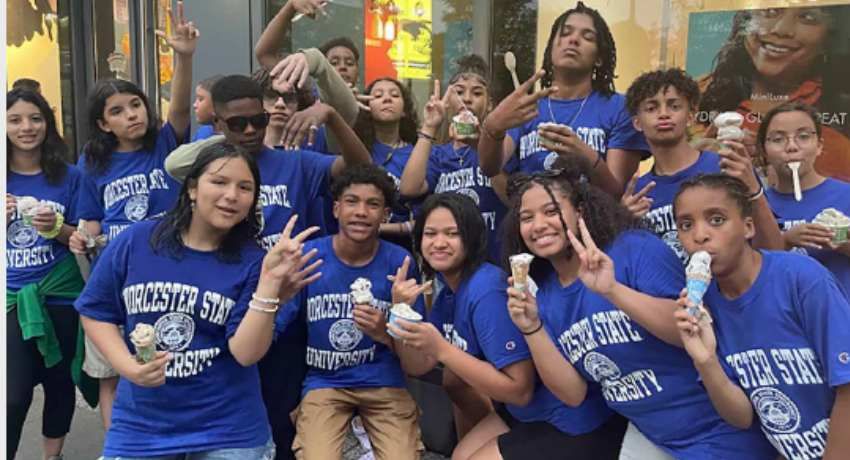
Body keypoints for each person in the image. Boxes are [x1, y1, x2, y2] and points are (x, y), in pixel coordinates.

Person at [501, 157, 776, 459]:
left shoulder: (632, 249)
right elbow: (573, 394)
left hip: (720, 430)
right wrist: (531, 327)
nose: (538, 225)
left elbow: (688, 331)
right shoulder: (547, 295)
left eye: (551, 211)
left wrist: (612, 290)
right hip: (655, 439)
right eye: (526, 218)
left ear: (579, 212)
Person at [165, 73, 371, 460]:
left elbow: (360, 167)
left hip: (289, 308)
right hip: (224, 304)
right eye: (236, 124)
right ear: (217, 126)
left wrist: (331, 115)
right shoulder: (208, 171)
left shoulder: (296, 165)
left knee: (282, 415)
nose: (249, 130)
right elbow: (174, 168)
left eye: (257, 121)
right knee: (230, 415)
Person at [75, 142, 322, 459]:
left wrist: (269, 285)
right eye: (219, 182)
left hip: (229, 431)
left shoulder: (254, 262)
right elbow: (96, 311)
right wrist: (128, 367)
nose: (232, 195)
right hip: (142, 429)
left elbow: (245, 353)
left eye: (244, 187)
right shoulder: (137, 241)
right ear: (192, 187)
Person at [70, 3, 198, 430]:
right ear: (103, 124)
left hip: (166, 261)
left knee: (166, 348)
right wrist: (81, 236)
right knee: (112, 368)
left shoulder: (164, 142)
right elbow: (91, 218)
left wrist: (183, 56)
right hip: (114, 267)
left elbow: (180, 108)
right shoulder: (94, 160)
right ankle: (118, 443)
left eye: (136, 104)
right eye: (118, 111)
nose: (132, 114)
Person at [673, 173, 850, 460]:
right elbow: (742, 417)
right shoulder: (705, 307)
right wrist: (705, 361)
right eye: (686, 225)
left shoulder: (800, 278)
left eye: (716, 219)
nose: (700, 235)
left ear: (748, 227)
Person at [277, 164, 424, 459]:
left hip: (383, 381)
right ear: (335, 209)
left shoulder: (400, 262)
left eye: (373, 204)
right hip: (325, 382)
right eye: (352, 202)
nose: (361, 212)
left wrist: (385, 330)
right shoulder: (310, 257)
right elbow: (275, 324)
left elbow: (416, 354)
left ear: (385, 215)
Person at [387, 193, 538, 453]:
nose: (439, 243)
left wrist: (442, 349)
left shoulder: (486, 290)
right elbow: (418, 365)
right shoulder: (447, 291)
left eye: (452, 233)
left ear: (472, 238)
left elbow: (521, 391)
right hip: (513, 412)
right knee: (453, 382)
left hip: (543, 414)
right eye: (430, 233)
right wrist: (400, 310)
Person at [477, 1, 649, 196]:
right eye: (565, 33)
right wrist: (493, 126)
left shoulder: (619, 108)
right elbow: (490, 168)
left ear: (599, 58)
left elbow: (617, 194)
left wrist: (586, 157)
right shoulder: (526, 107)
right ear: (551, 50)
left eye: (587, 37)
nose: (573, 40)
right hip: (534, 223)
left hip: (594, 223)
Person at [623, 68, 783, 261]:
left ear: (691, 116)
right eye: (651, 108)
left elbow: (774, 250)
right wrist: (624, 223)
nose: (663, 114)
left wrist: (753, 189)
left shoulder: (726, 166)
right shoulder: (637, 193)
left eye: (674, 106)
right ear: (637, 123)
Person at [6, 88, 85, 460]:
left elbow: (83, 238)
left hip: (61, 291)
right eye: (15, 119)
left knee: (59, 381)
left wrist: (57, 227)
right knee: (14, 391)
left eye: (35, 118)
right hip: (11, 297)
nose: (26, 127)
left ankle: (52, 457)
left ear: (48, 124)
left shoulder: (69, 176)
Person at [697, 5, 850, 182]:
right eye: (770, 12)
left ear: (828, 39)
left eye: (807, 18)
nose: (781, 30)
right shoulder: (696, 95)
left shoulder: (839, 136)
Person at [399, 55, 509, 262]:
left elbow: (511, 197)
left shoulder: (501, 145)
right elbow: (408, 189)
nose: (467, 99)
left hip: (493, 263)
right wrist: (430, 126)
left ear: (490, 105)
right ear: (448, 101)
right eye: (459, 92)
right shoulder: (438, 154)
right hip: (447, 269)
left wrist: (479, 146)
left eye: (477, 93)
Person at [760, 102, 850, 288]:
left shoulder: (846, 195)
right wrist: (784, 241)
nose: (792, 147)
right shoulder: (756, 205)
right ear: (764, 152)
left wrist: (843, 243)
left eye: (803, 136)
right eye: (778, 139)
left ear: (819, 146)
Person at [354, 77, 421, 248]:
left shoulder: (418, 153)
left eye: (395, 95)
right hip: (357, 244)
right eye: (377, 95)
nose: (387, 99)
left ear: (405, 110)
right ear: (366, 107)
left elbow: (425, 219)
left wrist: (383, 228)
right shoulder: (355, 149)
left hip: (403, 249)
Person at [192, 74, 223, 141]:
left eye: (200, 99)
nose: (194, 105)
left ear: (217, 106)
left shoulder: (232, 137)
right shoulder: (202, 133)